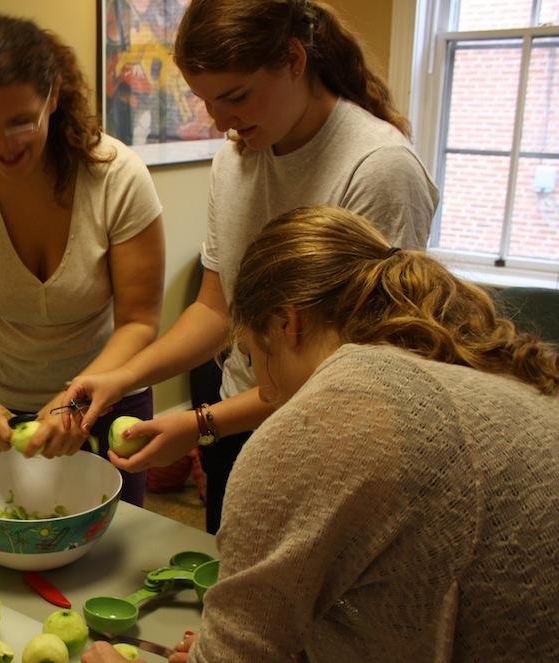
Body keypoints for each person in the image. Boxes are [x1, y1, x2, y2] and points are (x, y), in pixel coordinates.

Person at [79, 206, 559, 663]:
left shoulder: (327, 422)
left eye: (250, 356)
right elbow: (419, 593)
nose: (265, 391)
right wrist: (269, 655)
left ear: (287, 323)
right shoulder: (467, 372)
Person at [64, 0, 439, 530]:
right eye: (206, 102)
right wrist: (120, 377)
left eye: (236, 97)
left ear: (293, 59)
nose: (220, 122)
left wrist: (200, 424)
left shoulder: (379, 168)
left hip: (329, 445)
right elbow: (217, 310)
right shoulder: (234, 160)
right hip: (239, 430)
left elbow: (358, 368)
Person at [0, 13, 166, 506]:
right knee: (10, 548)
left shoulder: (118, 180)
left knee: (114, 554)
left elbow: (139, 321)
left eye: (20, 123)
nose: (2, 145)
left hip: (106, 402)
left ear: (52, 98)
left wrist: (74, 401)